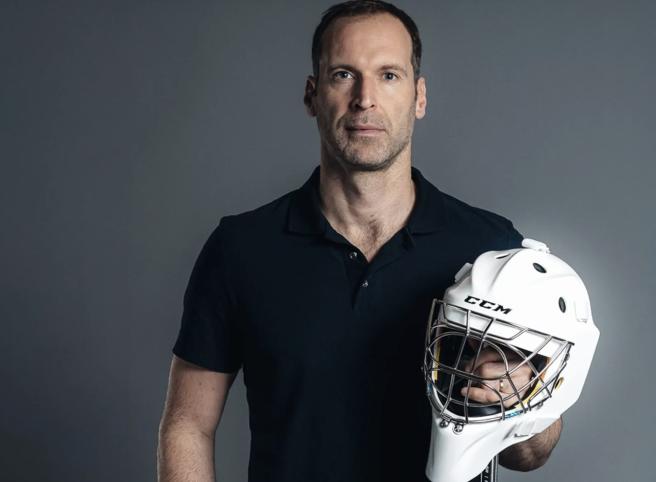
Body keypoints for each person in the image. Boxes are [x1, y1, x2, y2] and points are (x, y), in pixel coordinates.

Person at [157, 1, 562, 481]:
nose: (364, 98)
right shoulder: (241, 250)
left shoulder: (491, 249)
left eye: (389, 75)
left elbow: (529, 455)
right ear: (312, 95)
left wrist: (520, 400)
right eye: (343, 75)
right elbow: (188, 424)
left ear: (419, 97)